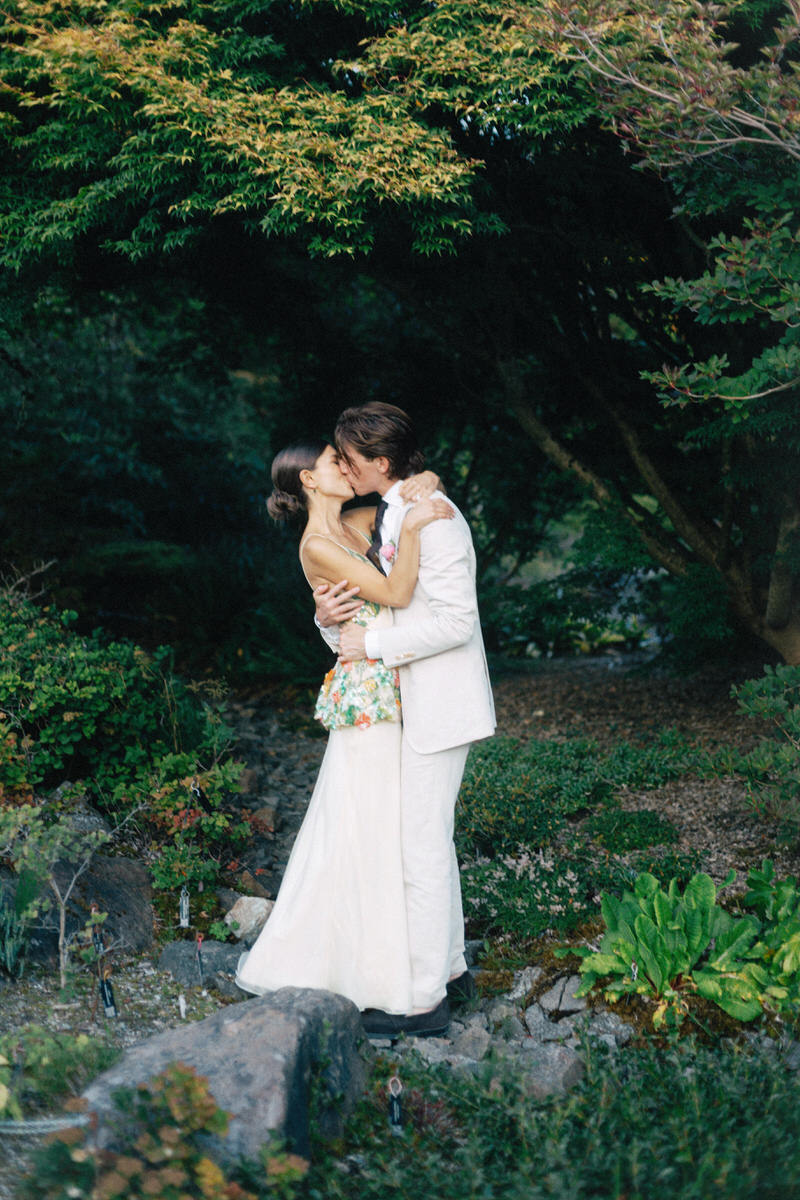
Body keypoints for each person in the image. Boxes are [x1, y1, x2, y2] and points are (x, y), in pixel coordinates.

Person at [235, 439, 452, 1017]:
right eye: (336, 460)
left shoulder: (357, 521)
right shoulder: (316, 545)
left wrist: (427, 480)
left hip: (397, 682)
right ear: (309, 479)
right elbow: (396, 592)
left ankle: (401, 959)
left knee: (390, 826)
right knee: (367, 828)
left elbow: (403, 499)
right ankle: (366, 970)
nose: (346, 467)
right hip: (367, 697)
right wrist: (412, 534)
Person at [315, 403, 496, 1038]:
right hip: (407, 705)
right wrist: (333, 623)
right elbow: (379, 608)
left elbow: (456, 622)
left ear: (381, 462)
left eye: (349, 458)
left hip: (440, 705)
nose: (343, 468)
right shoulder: (392, 512)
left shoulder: (433, 518)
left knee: (419, 848)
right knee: (426, 842)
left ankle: (421, 1003)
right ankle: (450, 969)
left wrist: (373, 646)